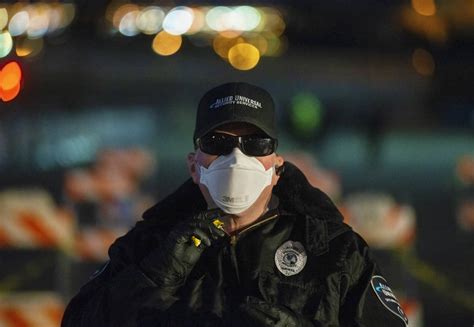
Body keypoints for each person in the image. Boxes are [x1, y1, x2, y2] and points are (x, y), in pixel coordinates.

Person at [62, 82, 409, 326]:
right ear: (194, 165)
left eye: (255, 143)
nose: (236, 157)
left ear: (276, 168)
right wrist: (152, 277)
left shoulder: (332, 250)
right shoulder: (151, 245)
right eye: (218, 142)